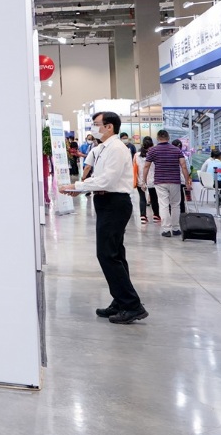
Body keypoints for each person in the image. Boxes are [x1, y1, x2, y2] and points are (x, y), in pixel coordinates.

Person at [59, 112, 148, 324]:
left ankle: (132, 305)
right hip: (106, 201)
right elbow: (98, 178)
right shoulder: (103, 148)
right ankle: (120, 301)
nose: (93, 128)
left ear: (109, 127)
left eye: (96, 124)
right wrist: (81, 189)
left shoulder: (116, 148)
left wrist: (77, 186)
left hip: (114, 203)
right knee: (115, 254)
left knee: (107, 254)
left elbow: (108, 180)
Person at [142, 130, 189, 237]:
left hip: (160, 181)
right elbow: (183, 166)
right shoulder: (176, 150)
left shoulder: (153, 150)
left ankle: (166, 229)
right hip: (175, 181)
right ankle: (176, 228)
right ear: (168, 138)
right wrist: (187, 181)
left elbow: (146, 166)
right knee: (175, 205)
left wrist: (143, 181)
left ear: (158, 138)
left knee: (163, 205)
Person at [135, 136, 160, 225]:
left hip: (140, 179)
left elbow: (134, 167)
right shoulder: (154, 154)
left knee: (142, 198)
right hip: (152, 180)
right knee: (154, 198)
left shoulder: (136, 155)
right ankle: (156, 215)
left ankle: (143, 216)